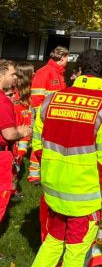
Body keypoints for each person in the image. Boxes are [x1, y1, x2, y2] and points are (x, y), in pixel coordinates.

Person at [24, 49, 102, 267]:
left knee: (54, 241)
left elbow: (38, 143)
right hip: (83, 196)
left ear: (77, 70)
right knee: (76, 251)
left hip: (53, 189)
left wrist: (51, 169)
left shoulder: (52, 99)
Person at [29, 46, 69, 184]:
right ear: (62, 57)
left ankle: (46, 171)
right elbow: (37, 98)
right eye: (67, 58)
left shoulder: (59, 73)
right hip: (45, 117)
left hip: (55, 117)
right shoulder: (45, 72)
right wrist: (42, 117)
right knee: (39, 143)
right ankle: (34, 176)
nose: (68, 61)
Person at [1, 60, 32, 224]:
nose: (15, 77)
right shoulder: (3, 101)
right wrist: (22, 131)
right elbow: (9, 133)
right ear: (2, 75)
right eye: (12, 74)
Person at [11, 62, 34, 195]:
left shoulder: (29, 93)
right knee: (15, 158)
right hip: (16, 132)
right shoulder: (13, 95)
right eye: (33, 72)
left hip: (25, 132)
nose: (35, 74)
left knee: (20, 155)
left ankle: (12, 188)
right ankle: (12, 189)